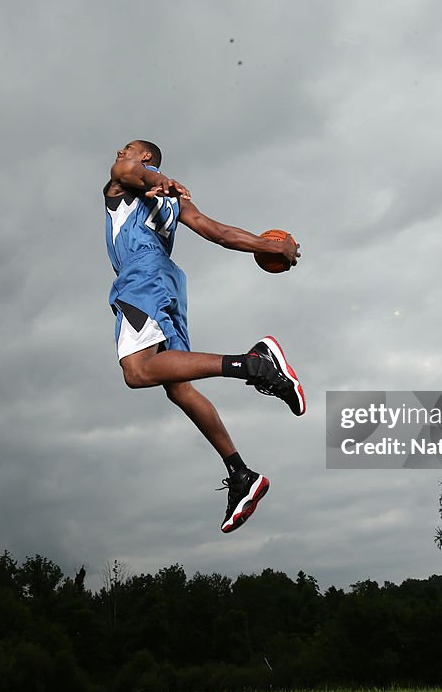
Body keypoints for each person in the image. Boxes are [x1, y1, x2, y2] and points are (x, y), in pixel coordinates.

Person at [104, 140, 305, 533]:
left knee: (138, 371)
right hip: (167, 281)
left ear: (145, 157)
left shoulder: (126, 180)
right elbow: (218, 232)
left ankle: (255, 364)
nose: (118, 152)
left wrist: (270, 245)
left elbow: (126, 173)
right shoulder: (174, 197)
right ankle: (240, 472)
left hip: (141, 275)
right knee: (177, 387)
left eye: (127, 148)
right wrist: (270, 246)